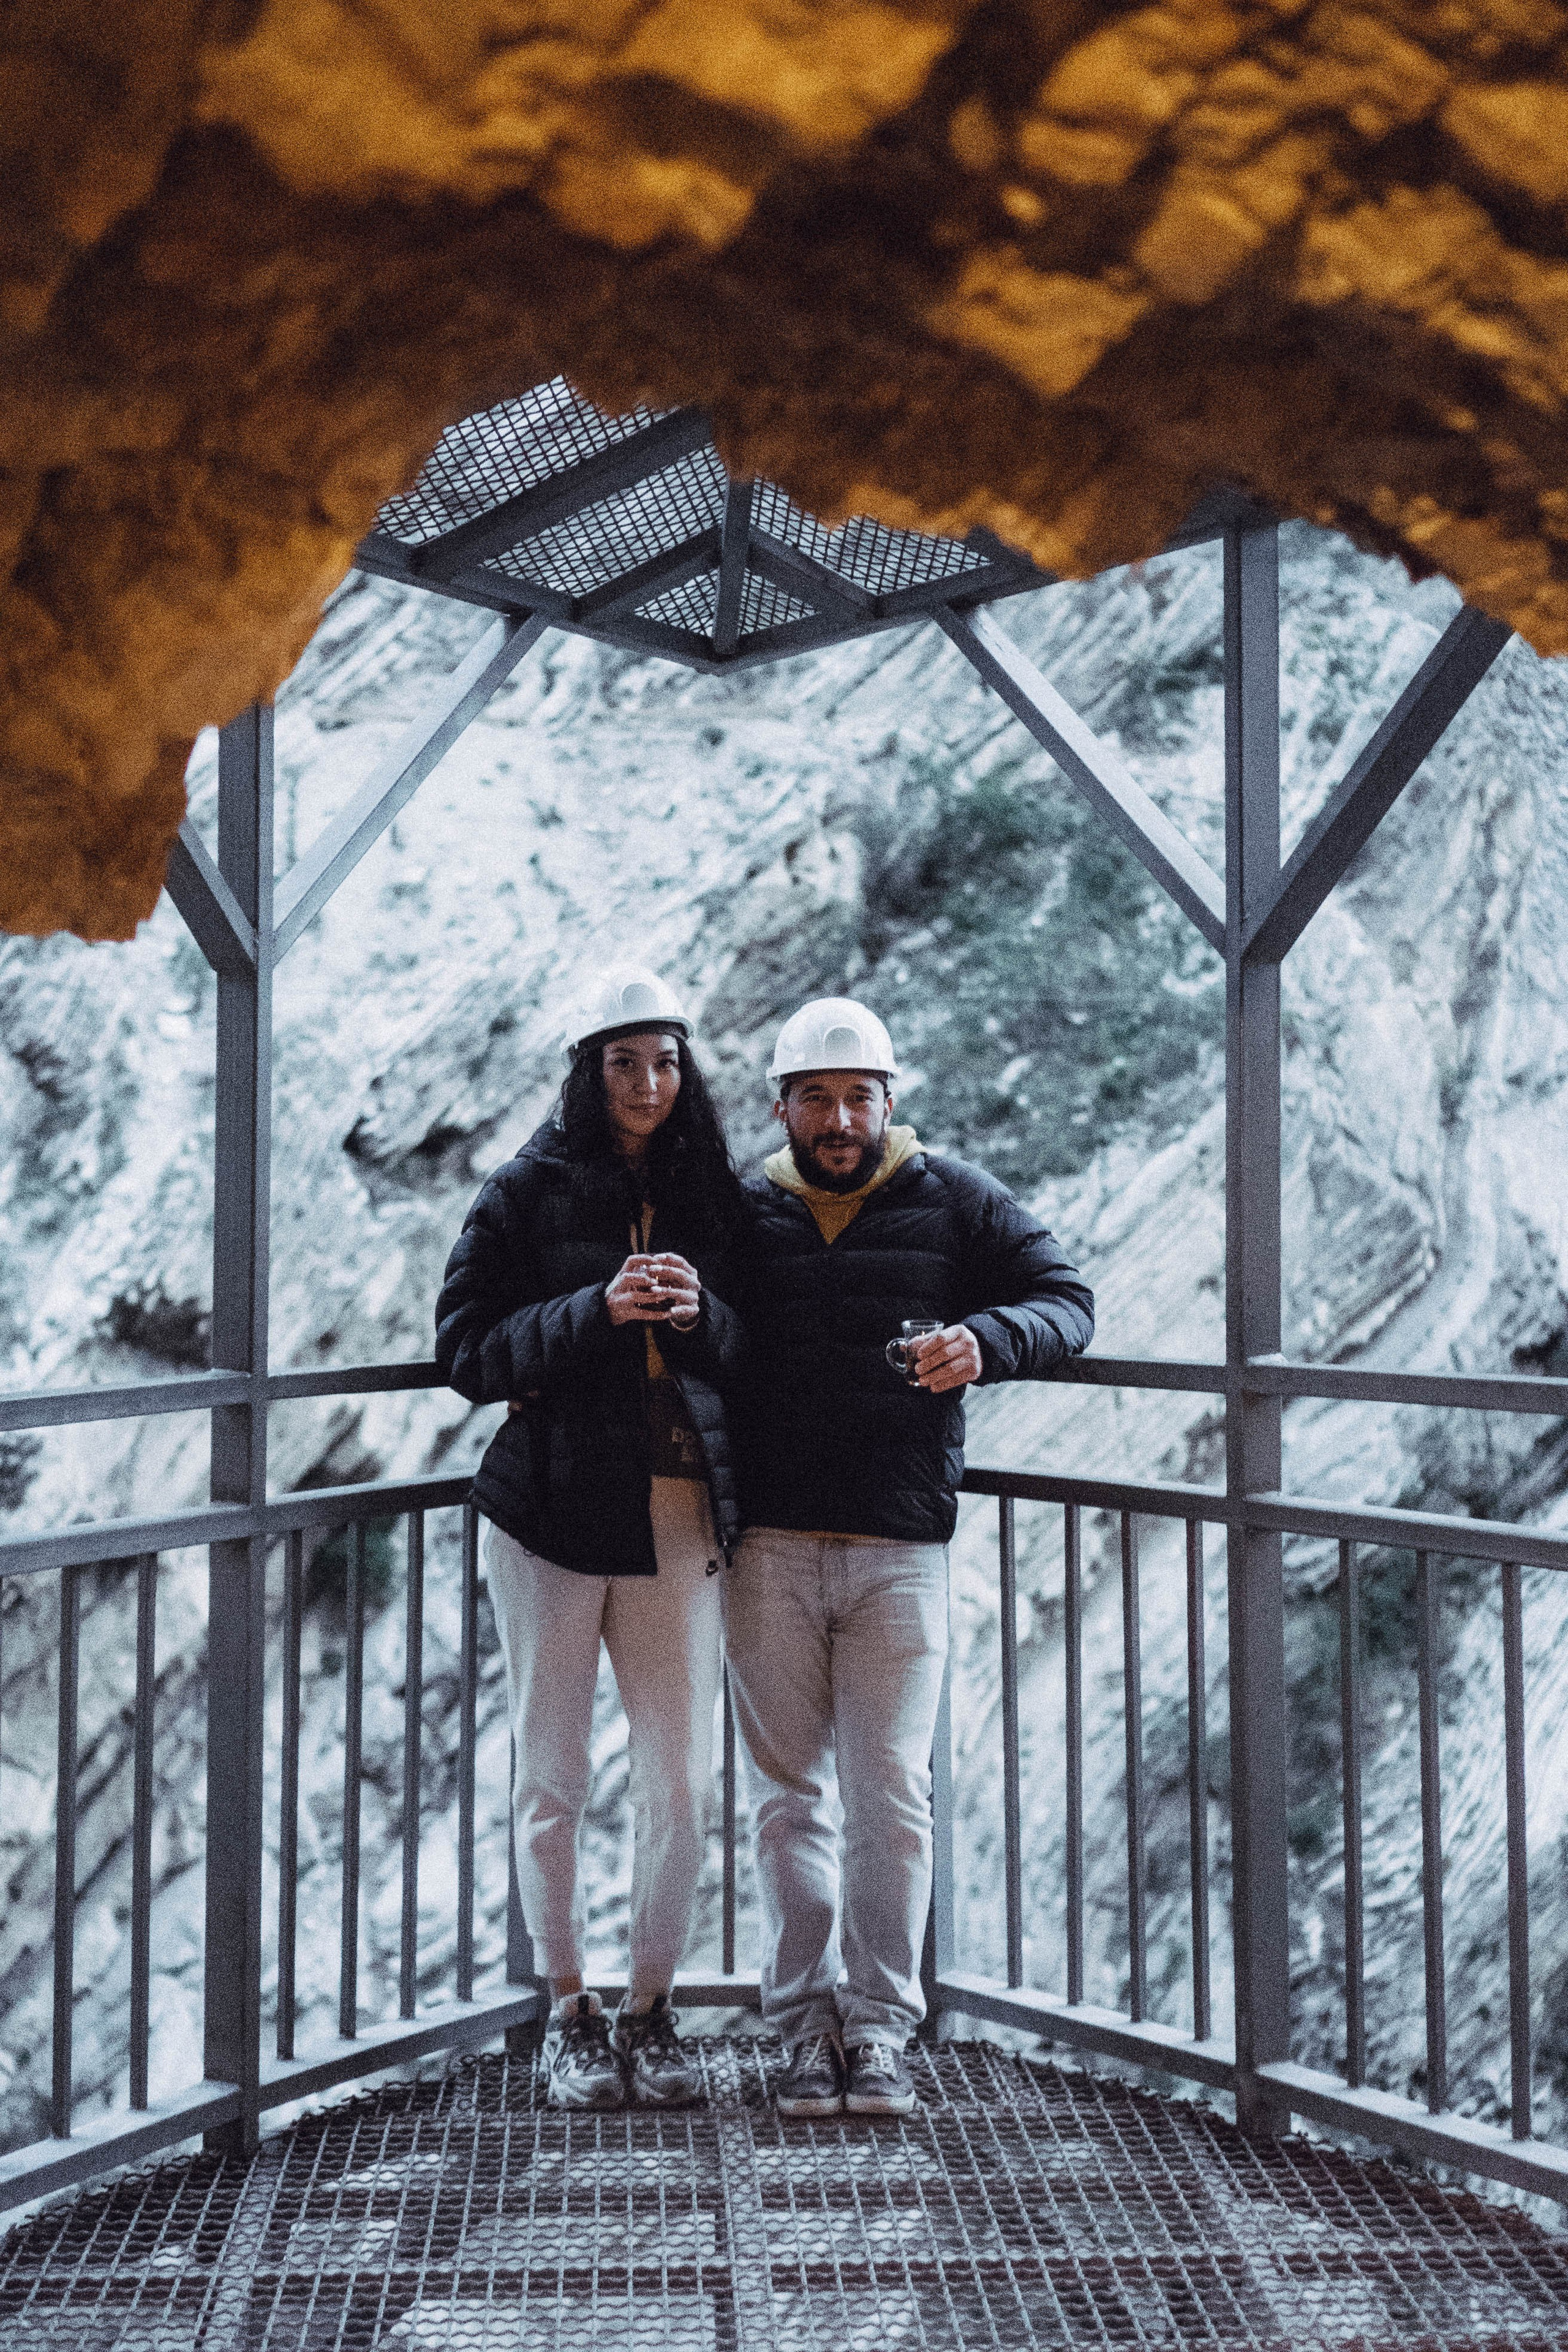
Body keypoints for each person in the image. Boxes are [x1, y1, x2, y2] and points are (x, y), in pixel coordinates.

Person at [724, 997, 1095, 2117]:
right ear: (781, 1107)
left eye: (859, 1097)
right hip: (770, 1546)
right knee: (789, 1800)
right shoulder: (741, 1213)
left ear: (892, 1101)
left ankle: (879, 2029)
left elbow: (1067, 1301)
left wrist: (985, 1342)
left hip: (900, 1545)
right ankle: (801, 2028)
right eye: (817, 1099)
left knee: (891, 1796)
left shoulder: (956, 1197)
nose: (840, 1119)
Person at [435, 965, 745, 2111]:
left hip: (674, 1509)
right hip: (550, 1513)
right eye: (625, 1063)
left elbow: (755, 1345)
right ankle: (568, 2011)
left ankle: (651, 2007)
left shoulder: (714, 1193)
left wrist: (701, 1315)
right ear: (587, 1070)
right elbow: (466, 1351)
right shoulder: (522, 1191)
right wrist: (595, 1310)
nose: (649, 1084)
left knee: (680, 1780)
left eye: (666, 1062)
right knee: (551, 1776)